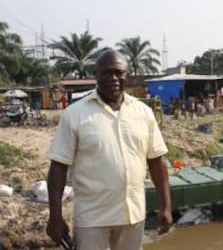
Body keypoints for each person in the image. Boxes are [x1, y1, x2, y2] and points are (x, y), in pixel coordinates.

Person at [46, 49, 172, 250]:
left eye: (118, 72)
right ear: (96, 76)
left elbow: (156, 161)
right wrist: (55, 216)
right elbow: (58, 168)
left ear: (127, 76)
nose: (113, 78)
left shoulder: (144, 113)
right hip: (92, 219)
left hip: (133, 215)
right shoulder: (74, 115)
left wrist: (166, 206)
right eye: (106, 73)